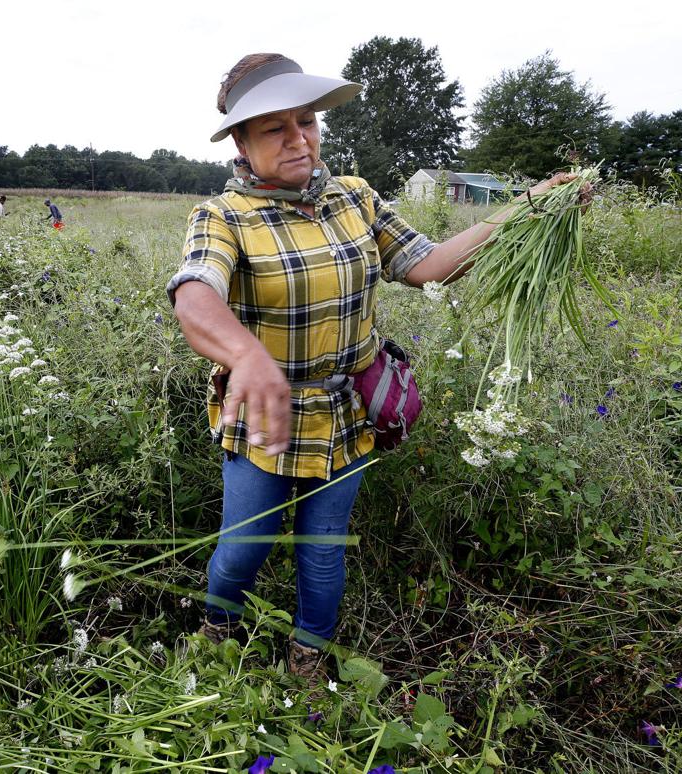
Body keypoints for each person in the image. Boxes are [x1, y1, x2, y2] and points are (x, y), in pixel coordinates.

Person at [166, 53, 584, 683]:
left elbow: (431, 263)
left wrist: (528, 208)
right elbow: (195, 293)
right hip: (267, 414)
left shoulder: (354, 198)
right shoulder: (223, 217)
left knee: (324, 549)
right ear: (242, 145)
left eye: (304, 121)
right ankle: (217, 631)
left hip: (347, 409)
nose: (297, 138)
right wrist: (247, 354)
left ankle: (306, 664)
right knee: (243, 547)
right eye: (273, 128)